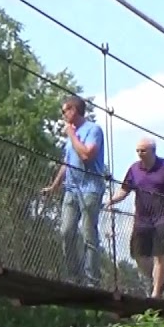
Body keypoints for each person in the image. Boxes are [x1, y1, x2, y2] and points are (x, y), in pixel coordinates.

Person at [105, 137, 164, 299]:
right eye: (137, 151)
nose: (140, 154)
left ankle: (155, 294)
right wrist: (111, 201)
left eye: (143, 151)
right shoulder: (134, 169)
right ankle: (158, 281)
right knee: (138, 255)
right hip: (142, 218)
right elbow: (124, 190)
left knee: (159, 255)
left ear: (153, 151)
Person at [41, 95, 106, 286]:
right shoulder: (73, 135)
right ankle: (74, 276)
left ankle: (92, 279)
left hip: (91, 189)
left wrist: (71, 134)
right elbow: (67, 163)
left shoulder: (93, 130)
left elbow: (86, 155)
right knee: (66, 231)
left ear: (73, 110)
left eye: (64, 111)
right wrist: (54, 187)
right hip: (71, 189)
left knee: (88, 234)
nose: (63, 115)